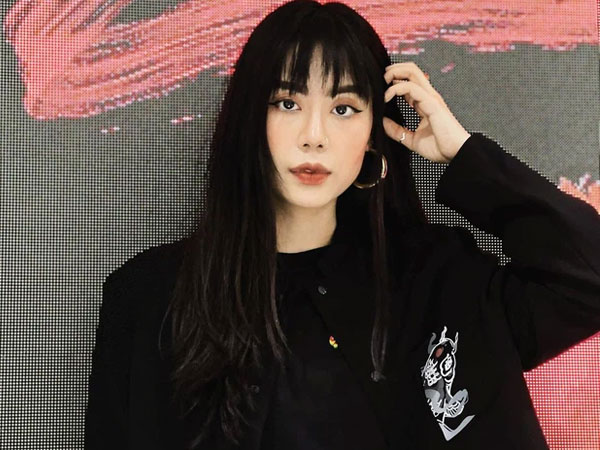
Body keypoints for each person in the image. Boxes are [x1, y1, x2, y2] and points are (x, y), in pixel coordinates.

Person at [84, 0, 600, 449]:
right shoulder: (148, 299)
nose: (314, 135)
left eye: (344, 108)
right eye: (287, 103)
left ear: (375, 131)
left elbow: (588, 277)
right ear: (249, 120)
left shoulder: (437, 279)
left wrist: (462, 156)